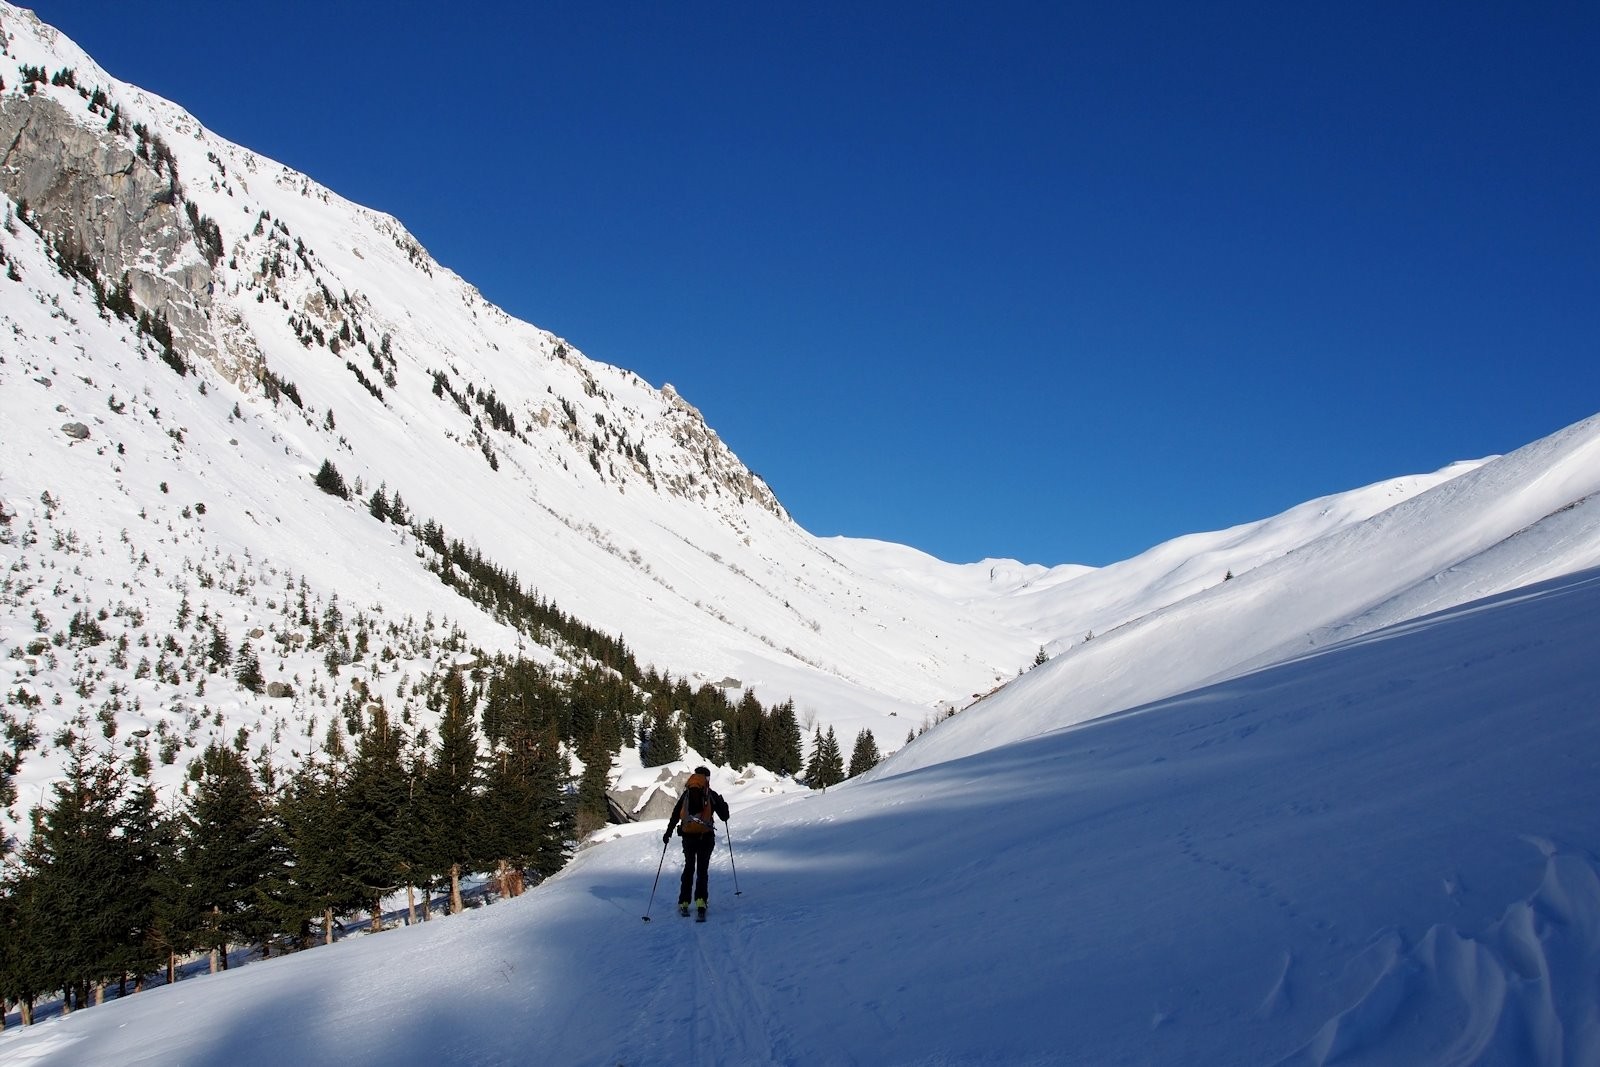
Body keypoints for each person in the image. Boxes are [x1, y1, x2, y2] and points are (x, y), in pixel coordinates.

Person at [663, 766, 730, 919]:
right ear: (707, 778)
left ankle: (684, 902)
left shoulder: (686, 794)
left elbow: (675, 815)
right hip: (706, 837)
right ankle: (701, 902)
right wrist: (722, 803)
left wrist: (668, 833)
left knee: (688, 867)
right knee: (702, 869)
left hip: (688, 838)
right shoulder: (710, 795)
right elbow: (724, 816)